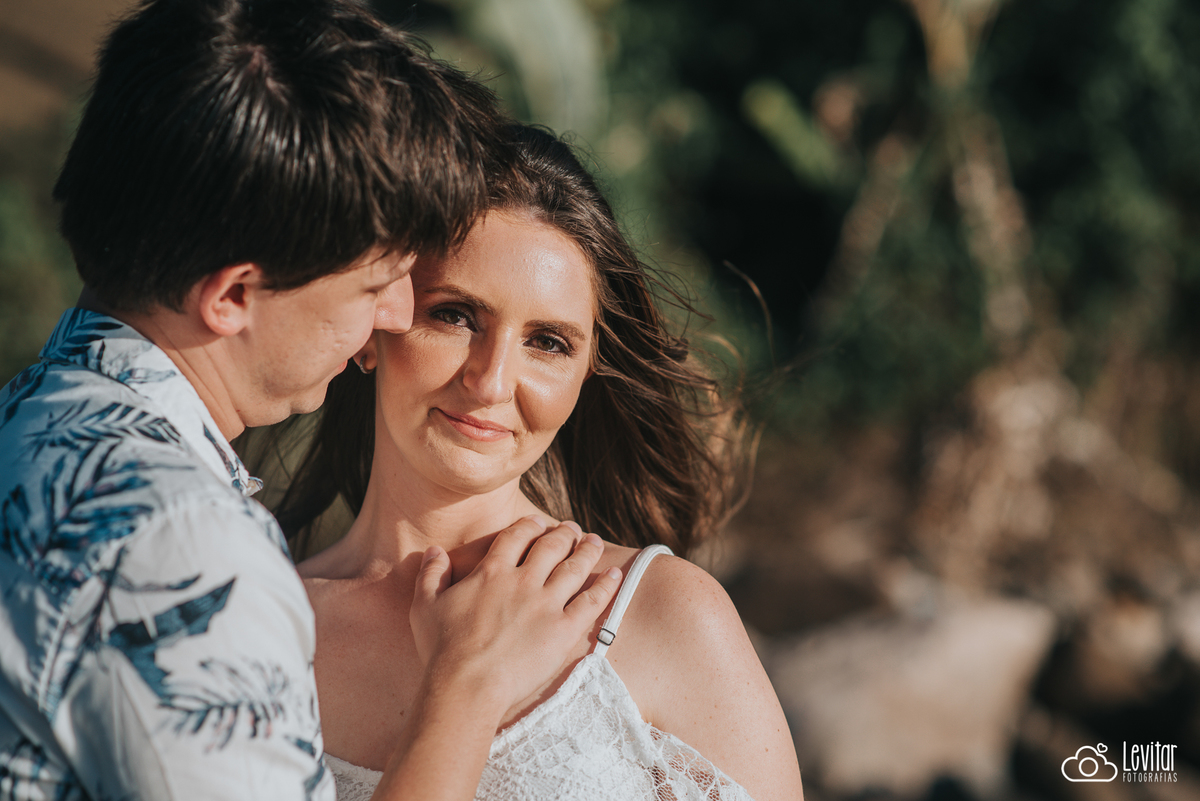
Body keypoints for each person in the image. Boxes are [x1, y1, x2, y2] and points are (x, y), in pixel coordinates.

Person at [0, 3, 622, 800]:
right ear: (233, 295)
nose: (394, 313)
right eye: (374, 281)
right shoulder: (185, 547)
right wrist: (466, 687)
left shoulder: (24, 426)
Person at [280, 125, 805, 800]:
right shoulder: (260, 621)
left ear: (586, 371)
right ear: (374, 324)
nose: (492, 382)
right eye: (456, 315)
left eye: (549, 342)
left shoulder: (661, 614)